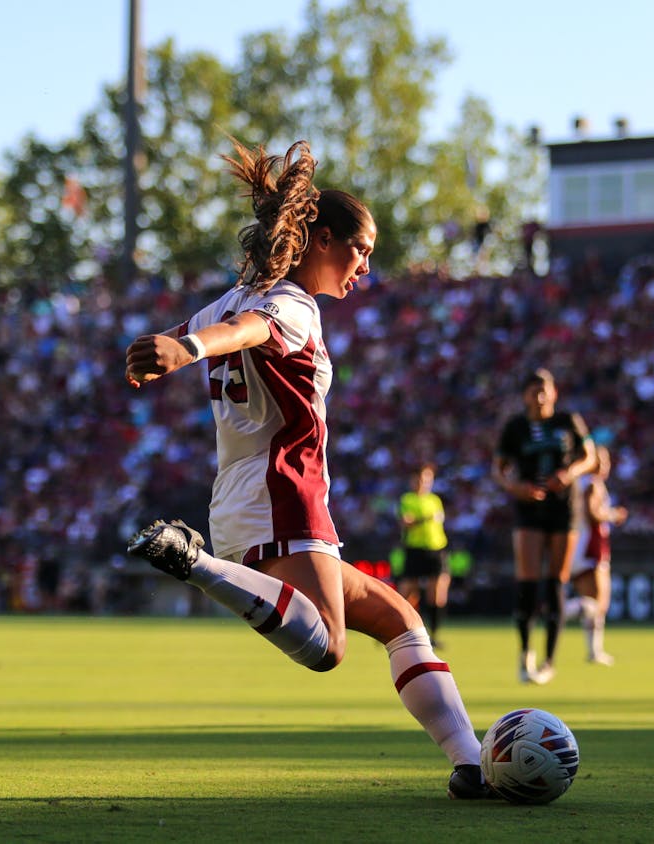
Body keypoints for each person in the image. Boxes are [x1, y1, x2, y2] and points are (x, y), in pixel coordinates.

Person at [123, 139, 492, 800]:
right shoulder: (291, 305)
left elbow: (219, 326)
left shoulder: (235, 297)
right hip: (284, 495)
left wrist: (176, 344)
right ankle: (196, 564)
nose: (366, 268)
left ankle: (471, 762)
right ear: (322, 239)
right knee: (329, 647)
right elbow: (251, 332)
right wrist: (187, 348)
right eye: (361, 250)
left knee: (402, 620)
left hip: (244, 498)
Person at [492, 368, 597, 685]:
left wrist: (570, 473)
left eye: (545, 390)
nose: (540, 397)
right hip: (528, 508)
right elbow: (499, 469)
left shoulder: (568, 421)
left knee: (555, 583)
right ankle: (525, 655)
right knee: (527, 582)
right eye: (534, 391)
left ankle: (550, 659)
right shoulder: (516, 427)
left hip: (564, 509)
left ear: (554, 393)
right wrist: (515, 488)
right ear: (525, 395)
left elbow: (589, 457)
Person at [571, 444, 626, 666]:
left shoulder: (583, 483)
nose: (604, 465)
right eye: (599, 460)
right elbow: (592, 513)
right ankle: (558, 612)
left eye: (606, 460)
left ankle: (594, 650)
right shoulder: (591, 484)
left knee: (595, 603)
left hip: (582, 546)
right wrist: (613, 515)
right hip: (590, 546)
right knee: (597, 602)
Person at [397, 464, 451, 644]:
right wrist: (426, 519)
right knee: (407, 593)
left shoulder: (435, 500)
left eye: (427, 479)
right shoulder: (408, 499)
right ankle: (392, 627)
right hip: (415, 549)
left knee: (436, 593)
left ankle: (434, 635)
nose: (423, 482)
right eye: (419, 479)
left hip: (436, 549)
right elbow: (407, 522)